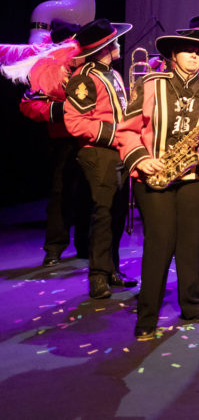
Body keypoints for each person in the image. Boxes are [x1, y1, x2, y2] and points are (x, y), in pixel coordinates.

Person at [117, 29, 199, 340]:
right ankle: (147, 315)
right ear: (172, 55)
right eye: (188, 50)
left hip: (195, 177)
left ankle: (192, 303)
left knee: (189, 243)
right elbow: (127, 130)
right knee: (159, 243)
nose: (195, 56)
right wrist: (141, 159)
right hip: (154, 173)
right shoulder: (149, 85)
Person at [64, 18, 138, 300]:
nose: (118, 44)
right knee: (104, 213)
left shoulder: (114, 74)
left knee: (117, 213)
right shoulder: (84, 77)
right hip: (98, 152)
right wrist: (119, 134)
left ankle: (112, 269)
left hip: (117, 150)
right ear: (104, 47)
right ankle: (97, 275)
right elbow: (76, 123)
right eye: (114, 41)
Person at [18, 20, 91, 267]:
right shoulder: (47, 69)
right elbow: (30, 105)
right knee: (61, 194)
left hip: (90, 136)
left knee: (88, 192)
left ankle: (84, 245)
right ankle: (54, 248)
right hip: (63, 140)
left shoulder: (87, 65)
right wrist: (63, 110)